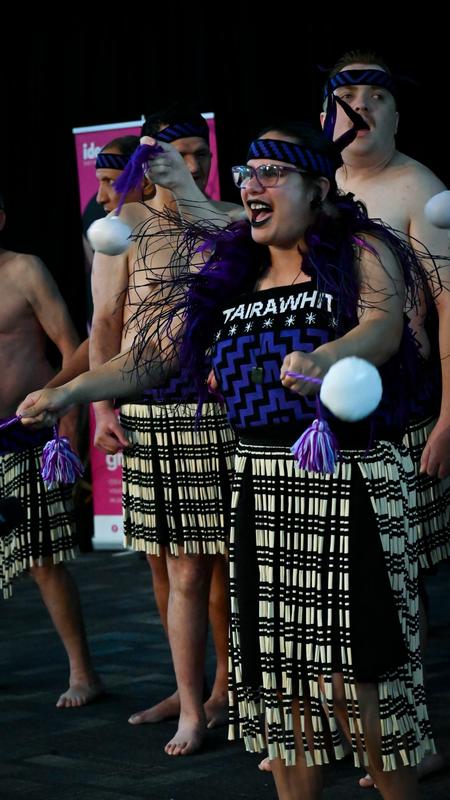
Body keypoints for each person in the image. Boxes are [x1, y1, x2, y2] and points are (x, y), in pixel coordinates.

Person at [17, 122, 442, 799]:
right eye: (249, 173)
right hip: (258, 486)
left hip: (349, 481)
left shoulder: (361, 248)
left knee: (356, 684)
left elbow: (383, 325)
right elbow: (157, 356)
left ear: (317, 187)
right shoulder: (233, 273)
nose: (253, 185)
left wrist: (326, 358)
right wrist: (71, 389)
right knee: (286, 688)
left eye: (273, 173)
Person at [89, 106, 241, 755]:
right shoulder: (124, 228)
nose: (196, 165)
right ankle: (189, 699)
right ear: (153, 161)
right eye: (181, 153)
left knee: (240, 570)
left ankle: (232, 692)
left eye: (201, 154)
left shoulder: (232, 222)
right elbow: (106, 324)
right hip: (155, 414)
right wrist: (102, 410)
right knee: (176, 572)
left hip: (229, 415)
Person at [320, 50, 450, 787]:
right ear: (324, 114)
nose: (359, 107)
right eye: (346, 96)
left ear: (397, 114)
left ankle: (416, 733)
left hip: (403, 410)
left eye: (376, 96)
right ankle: (361, 724)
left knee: (401, 580)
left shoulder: (418, 188)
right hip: (328, 421)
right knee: (345, 578)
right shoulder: (313, 187)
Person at [0, 190, 102, 707]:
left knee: (44, 559)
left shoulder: (23, 270)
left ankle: (83, 672)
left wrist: (68, 427)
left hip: (26, 429)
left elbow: (72, 347)